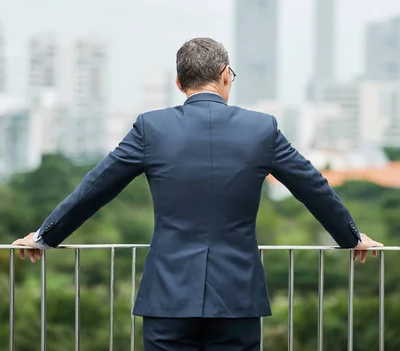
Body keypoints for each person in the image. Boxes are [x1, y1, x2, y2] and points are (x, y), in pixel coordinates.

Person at [13, 37, 382, 351]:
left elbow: (95, 189)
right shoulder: (261, 129)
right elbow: (312, 187)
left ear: (179, 83)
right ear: (225, 76)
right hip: (237, 300)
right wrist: (351, 237)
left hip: (167, 299)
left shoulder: (150, 128)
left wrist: (45, 236)